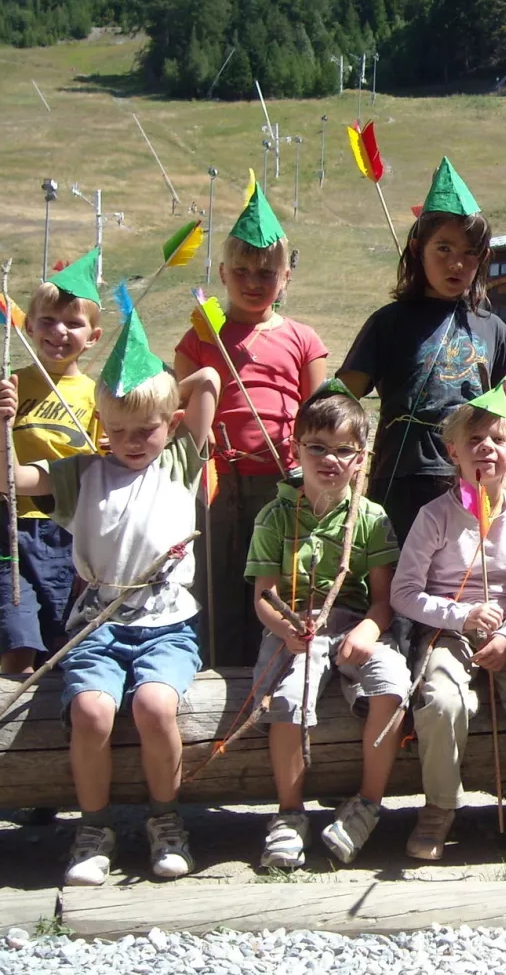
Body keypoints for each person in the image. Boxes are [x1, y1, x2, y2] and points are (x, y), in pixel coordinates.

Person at [0, 308, 220, 886]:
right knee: (91, 712)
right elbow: (9, 481)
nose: (132, 442)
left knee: (155, 707)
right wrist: (2, 428)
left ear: (169, 421)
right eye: (117, 429)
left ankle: (166, 821)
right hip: (96, 627)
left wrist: (165, 395)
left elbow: (210, 382)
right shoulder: (81, 474)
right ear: (100, 425)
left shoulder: (180, 460)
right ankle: (93, 829)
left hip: (168, 624)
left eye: (145, 428)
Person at [390, 381, 506, 861]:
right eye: (474, 441)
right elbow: (404, 592)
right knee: (443, 702)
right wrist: (460, 614)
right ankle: (439, 807)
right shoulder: (433, 517)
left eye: (497, 440)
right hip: (447, 632)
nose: (485, 449)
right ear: (453, 451)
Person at [245, 381, 410, 870]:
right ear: (295, 449)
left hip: (355, 624)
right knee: (290, 697)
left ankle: (366, 806)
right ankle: (290, 814)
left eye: (344, 451)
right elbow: (263, 597)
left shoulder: (372, 518)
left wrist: (367, 631)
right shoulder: (274, 517)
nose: (330, 460)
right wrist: (286, 630)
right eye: (317, 447)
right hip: (294, 628)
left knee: (394, 684)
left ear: (361, 459)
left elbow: (383, 602)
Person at [175, 174, 329, 667]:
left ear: (285, 277)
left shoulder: (303, 339)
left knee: (277, 582)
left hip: (281, 481)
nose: (253, 281)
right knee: (216, 578)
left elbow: (318, 418)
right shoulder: (200, 338)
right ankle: (213, 672)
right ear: (222, 273)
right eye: (242, 270)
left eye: (267, 272)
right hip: (216, 483)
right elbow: (181, 418)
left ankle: (275, 672)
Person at [339, 158, 506, 544]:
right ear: (417, 248)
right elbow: (343, 400)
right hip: (401, 478)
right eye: (443, 248)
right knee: (401, 588)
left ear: (483, 259)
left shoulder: (496, 330)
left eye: (470, 253)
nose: (456, 263)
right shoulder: (387, 322)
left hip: (474, 478)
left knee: (465, 587)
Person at [0, 250, 103, 673]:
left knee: (63, 640)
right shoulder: (7, 388)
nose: (59, 331)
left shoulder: (99, 396)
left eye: (73, 323)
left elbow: (104, 465)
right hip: (11, 528)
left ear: (93, 336)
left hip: (72, 533)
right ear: (28, 325)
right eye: (48, 320)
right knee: (17, 634)